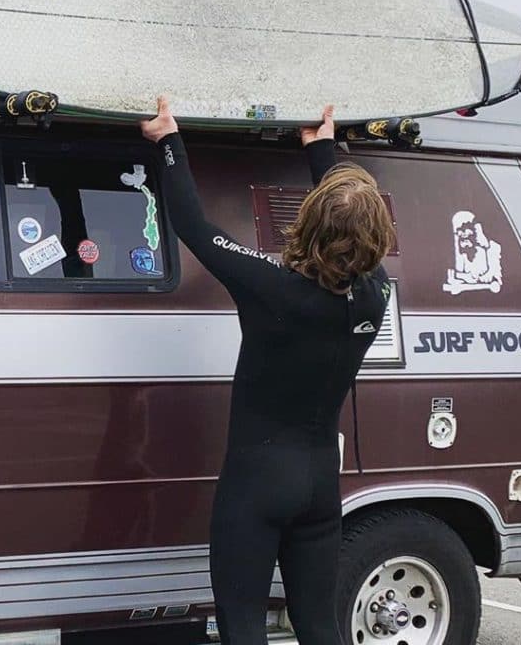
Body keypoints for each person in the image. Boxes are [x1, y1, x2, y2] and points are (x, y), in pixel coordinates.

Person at [141, 96, 395, 644]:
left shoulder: (275, 290)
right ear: (377, 236)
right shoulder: (375, 296)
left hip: (256, 486)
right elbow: (349, 223)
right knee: (320, 625)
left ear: (308, 220)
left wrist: (167, 140)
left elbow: (194, 227)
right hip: (321, 485)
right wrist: (321, 148)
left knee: (243, 627)